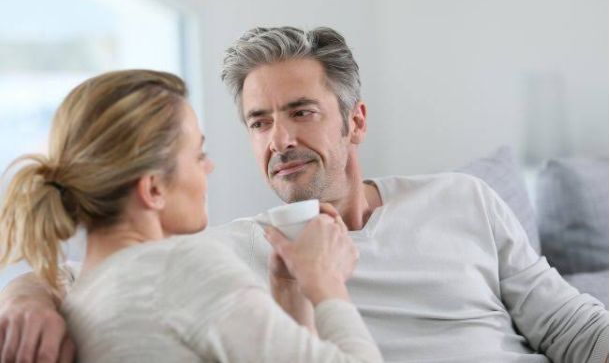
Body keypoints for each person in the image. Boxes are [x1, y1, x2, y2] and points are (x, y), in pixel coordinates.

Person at [2, 26, 609, 363]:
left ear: (355, 121)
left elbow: (574, 329)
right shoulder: (232, 250)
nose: (281, 139)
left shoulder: (463, 200)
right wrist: (25, 295)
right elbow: (105, 270)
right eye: (259, 122)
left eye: (301, 112)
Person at [0, 69, 383, 362]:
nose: (209, 167)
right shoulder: (179, 269)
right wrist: (326, 281)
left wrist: (290, 290)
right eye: (198, 155)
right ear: (153, 189)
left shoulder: (86, 293)